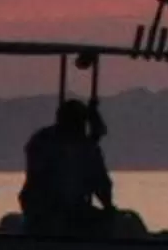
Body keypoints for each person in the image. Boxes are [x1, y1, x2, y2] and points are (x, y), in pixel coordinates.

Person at [21, 99, 117, 236]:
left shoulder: (84, 148)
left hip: (69, 211)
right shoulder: (47, 143)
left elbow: (101, 185)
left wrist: (108, 208)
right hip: (45, 213)